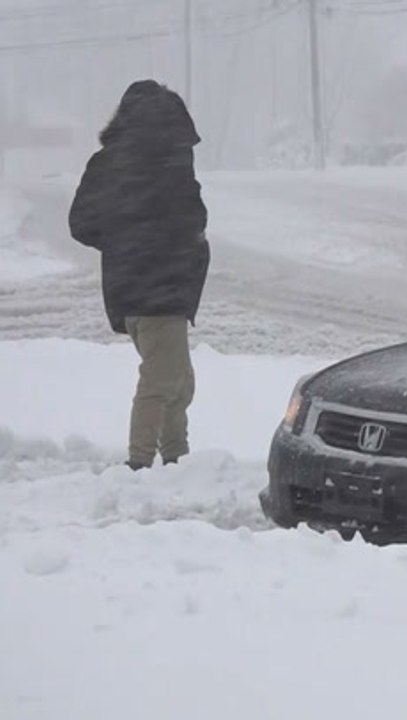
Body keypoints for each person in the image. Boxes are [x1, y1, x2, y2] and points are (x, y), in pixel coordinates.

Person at [68, 79, 210, 471]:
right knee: (164, 381)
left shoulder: (109, 163)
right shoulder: (168, 164)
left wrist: (123, 243)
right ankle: (142, 464)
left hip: (130, 289)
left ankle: (174, 459)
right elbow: (194, 217)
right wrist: (151, 243)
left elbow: (81, 224)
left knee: (177, 380)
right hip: (163, 288)